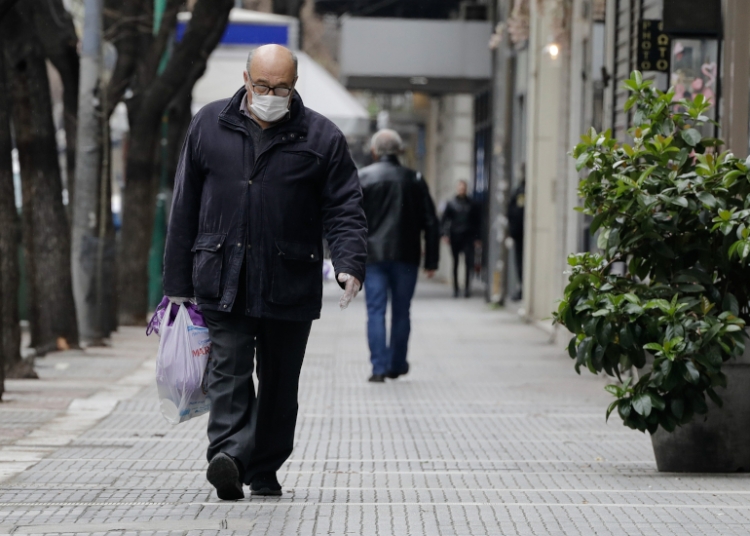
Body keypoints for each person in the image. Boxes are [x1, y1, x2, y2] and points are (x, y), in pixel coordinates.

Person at [163, 44, 367, 501]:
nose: (270, 95)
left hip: (288, 280)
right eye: (262, 86)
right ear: (245, 79)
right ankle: (230, 457)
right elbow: (184, 206)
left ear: (295, 86)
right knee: (228, 372)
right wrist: (177, 285)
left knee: (279, 382)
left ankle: (265, 467)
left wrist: (350, 263)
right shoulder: (208, 125)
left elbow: (345, 208)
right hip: (221, 276)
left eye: (281, 88)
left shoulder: (322, 137)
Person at [359, 129, 440, 383]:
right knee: (402, 311)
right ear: (400, 151)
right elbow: (431, 221)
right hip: (407, 255)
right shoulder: (414, 178)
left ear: (374, 152)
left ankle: (378, 367)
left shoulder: (363, 178)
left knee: (375, 311)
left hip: (372, 257)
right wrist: (432, 260)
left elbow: (350, 219)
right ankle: (397, 363)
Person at [441, 180, 480, 298]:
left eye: (463, 187)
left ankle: (467, 288)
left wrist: (478, 238)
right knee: (456, 263)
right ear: (457, 188)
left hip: (468, 237)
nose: (461, 189)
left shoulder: (472, 203)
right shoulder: (451, 203)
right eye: (460, 187)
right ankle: (456, 289)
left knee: (469, 263)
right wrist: (445, 234)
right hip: (455, 236)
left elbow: (477, 222)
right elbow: (444, 220)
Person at [507, 174, 526, 301]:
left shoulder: (520, 191)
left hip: (519, 233)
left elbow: (512, 212)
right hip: (519, 234)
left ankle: (522, 290)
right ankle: (522, 289)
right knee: (520, 263)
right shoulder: (520, 191)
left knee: (520, 263)